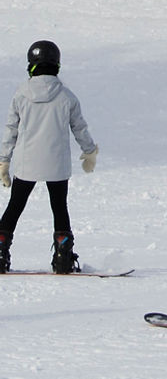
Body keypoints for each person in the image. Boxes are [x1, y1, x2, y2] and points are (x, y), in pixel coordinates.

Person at [0, 40, 98, 274]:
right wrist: (89, 151)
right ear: (57, 65)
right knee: (59, 207)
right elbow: (79, 127)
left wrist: (4, 160)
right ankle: (63, 255)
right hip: (56, 164)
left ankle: (0, 248)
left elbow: (11, 129)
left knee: (15, 206)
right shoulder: (66, 96)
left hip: (27, 163)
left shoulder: (21, 94)